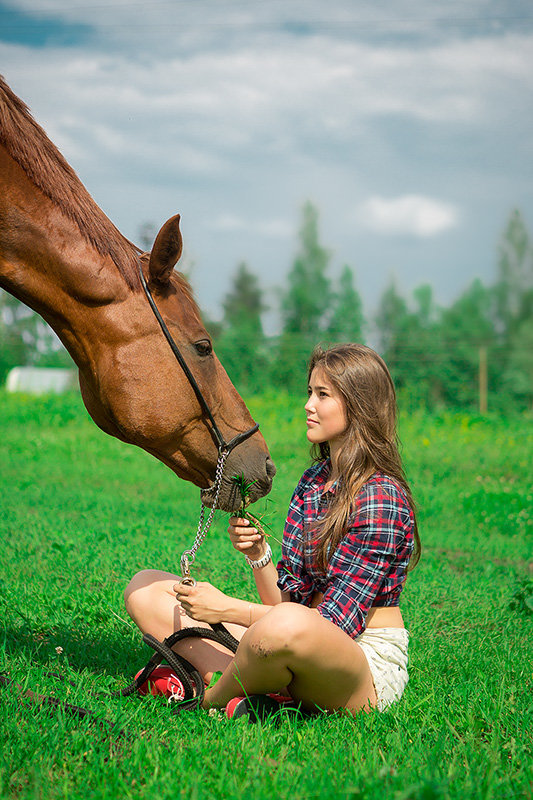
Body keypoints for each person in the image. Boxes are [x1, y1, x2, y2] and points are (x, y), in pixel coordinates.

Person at [124, 343, 420, 714]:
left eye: (323, 395)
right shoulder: (315, 481)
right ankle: (255, 692)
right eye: (309, 392)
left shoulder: (381, 499)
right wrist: (259, 556)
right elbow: (282, 606)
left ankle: (205, 697)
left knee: (284, 629)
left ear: (359, 405)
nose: (308, 405)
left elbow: (329, 623)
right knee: (146, 589)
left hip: (358, 659)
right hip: (290, 636)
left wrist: (224, 609)